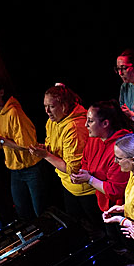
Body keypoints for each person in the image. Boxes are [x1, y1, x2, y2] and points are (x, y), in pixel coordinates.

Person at [0, 77, 51, 222]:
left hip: (32, 167)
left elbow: (27, 146)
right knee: (21, 211)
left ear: (1, 92)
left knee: (41, 211)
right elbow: (1, 145)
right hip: (14, 169)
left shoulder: (14, 112)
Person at [34, 83, 99, 227]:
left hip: (85, 190)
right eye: (45, 106)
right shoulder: (52, 122)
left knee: (96, 228)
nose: (47, 111)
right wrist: (44, 149)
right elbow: (55, 148)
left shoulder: (74, 127)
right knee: (77, 228)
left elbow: (73, 169)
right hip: (68, 185)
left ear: (64, 105)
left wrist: (45, 155)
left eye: (51, 106)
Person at [70, 99, 132, 215]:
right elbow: (85, 161)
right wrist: (81, 174)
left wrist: (89, 179)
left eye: (90, 121)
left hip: (122, 207)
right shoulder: (94, 138)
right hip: (102, 199)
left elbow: (116, 190)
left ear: (105, 124)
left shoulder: (122, 147)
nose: (85, 125)